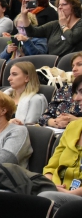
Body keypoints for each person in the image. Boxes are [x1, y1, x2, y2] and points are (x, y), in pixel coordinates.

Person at [39, 76, 82, 207]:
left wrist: (67, 194)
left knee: (43, 199)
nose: (76, 98)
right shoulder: (73, 127)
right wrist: (50, 184)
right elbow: (51, 166)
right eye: (77, 92)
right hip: (55, 190)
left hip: (74, 198)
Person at [16, 0, 82, 56]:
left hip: (71, 63)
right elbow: (31, 32)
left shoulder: (80, 23)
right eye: (59, 5)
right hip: (53, 65)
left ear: (74, 7)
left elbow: (72, 40)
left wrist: (64, 26)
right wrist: (24, 15)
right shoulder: (54, 24)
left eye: (64, 4)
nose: (60, 7)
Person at [39, 51, 82, 128]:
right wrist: (55, 122)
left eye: (79, 64)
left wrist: (76, 120)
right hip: (57, 131)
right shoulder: (64, 89)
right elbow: (43, 117)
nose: (74, 69)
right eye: (73, 66)